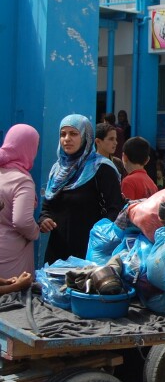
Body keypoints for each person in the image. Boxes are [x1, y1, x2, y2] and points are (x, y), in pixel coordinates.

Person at [39, 114, 124, 264]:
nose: (67, 139)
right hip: (57, 251)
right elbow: (47, 206)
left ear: (86, 136)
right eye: (63, 134)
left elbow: (115, 208)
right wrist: (44, 219)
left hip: (89, 252)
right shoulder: (57, 170)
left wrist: (101, 241)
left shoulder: (100, 168)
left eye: (73, 134)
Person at [0, 124, 41, 277]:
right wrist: (35, 231)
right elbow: (21, 221)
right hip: (11, 259)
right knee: (13, 298)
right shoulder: (22, 181)